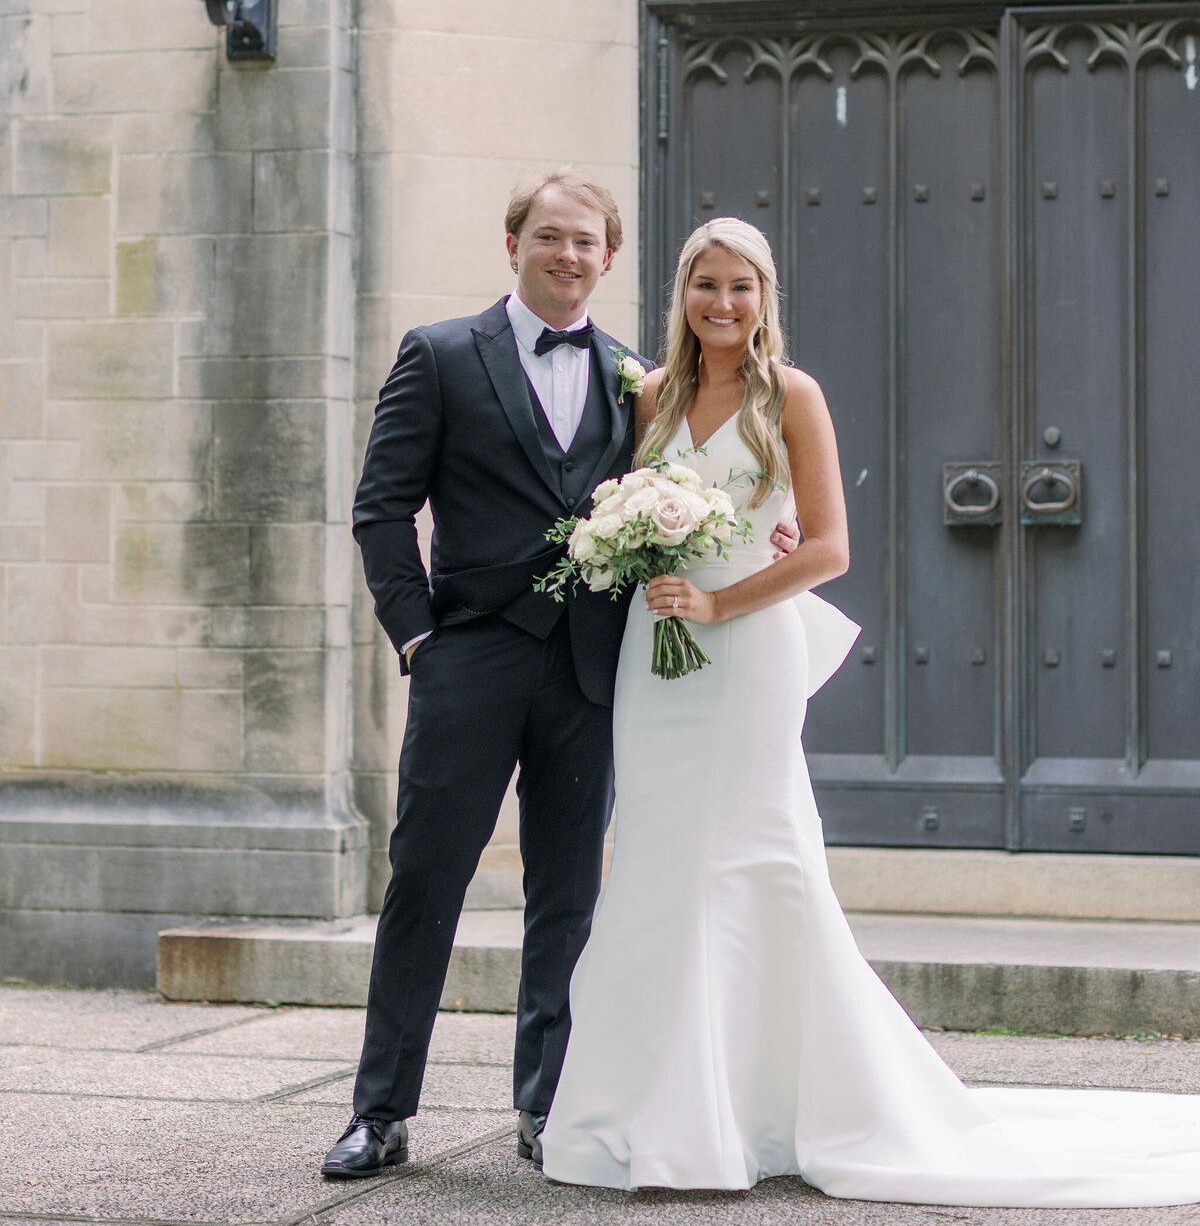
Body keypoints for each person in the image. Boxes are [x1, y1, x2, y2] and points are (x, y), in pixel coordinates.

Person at [541, 216, 1200, 1205]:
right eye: (706, 285)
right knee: (656, 859)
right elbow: (622, 509)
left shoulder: (790, 396)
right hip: (659, 656)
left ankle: (775, 1107)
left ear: (766, 298)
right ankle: (662, 1109)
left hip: (745, 649)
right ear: (681, 294)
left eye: (742, 288)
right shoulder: (653, 396)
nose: (723, 305)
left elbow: (829, 549)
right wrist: (640, 557)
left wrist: (720, 600)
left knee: (753, 858)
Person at [321, 171, 799, 1178]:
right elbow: (381, 508)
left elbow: (700, 489)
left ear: (610, 259)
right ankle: (381, 1108)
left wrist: (768, 534)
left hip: (593, 667)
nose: (569, 256)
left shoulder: (639, 377)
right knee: (425, 882)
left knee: (568, 896)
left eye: (587, 243)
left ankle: (549, 1106)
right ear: (513, 244)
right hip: (470, 661)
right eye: (550, 238)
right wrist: (417, 636)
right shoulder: (442, 355)